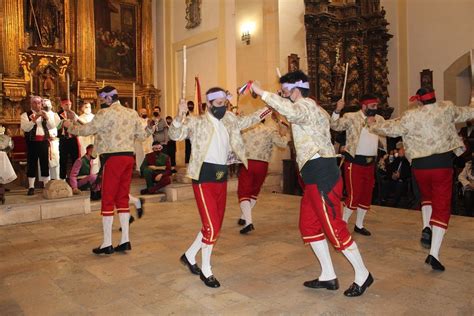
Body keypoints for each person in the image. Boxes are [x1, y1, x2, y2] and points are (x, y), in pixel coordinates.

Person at [250, 70, 373, 297]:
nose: (285, 94)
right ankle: (328, 275)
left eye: (287, 90)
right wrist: (281, 99)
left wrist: (261, 92)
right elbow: (292, 113)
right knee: (309, 225)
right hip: (314, 177)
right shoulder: (312, 109)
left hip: (322, 175)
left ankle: (363, 274)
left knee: (334, 229)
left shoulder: (306, 106)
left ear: (296, 90)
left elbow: (294, 111)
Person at [169, 87, 271, 288]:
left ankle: (189, 256)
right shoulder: (197, 121)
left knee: (214, 223)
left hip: (221, 175)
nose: (223, 107)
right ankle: (206, 270)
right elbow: (175, 135)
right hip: (203, 177)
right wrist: (180, 115)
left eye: (225, 103)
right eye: (218, 104)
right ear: (208, 104)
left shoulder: (230, 119)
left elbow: (249, 120)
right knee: (212, 226)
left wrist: (270, 108)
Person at [369, 87, 474, 271]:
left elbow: (391, 128)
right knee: (441, 207)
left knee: (426, 197)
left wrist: (372, 123)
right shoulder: (447, 107)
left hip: (419, 166)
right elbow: (468, 113)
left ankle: (426, 226)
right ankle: (433, 254)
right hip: (441, 164)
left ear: (419, 101)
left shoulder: (410, 116)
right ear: (435, 98)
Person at [64, 86, 153, 255]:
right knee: (121, 198)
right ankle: (125, 240)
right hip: (128, 159)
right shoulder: (132, 113)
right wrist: (150, 128)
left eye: (102, 100)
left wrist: (70, 126)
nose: (101, 103)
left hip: (113, 159)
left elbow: (87, 130)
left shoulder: (104, 114)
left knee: (108, 199)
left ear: (109, 98)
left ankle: (107, 243)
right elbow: (142, 136)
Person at [330, 94, 386, 236]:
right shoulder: (351, 117)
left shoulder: (379, 119)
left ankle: (359, 225)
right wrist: (337, 110)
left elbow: (386, 133)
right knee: (354, 195)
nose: (375, 108)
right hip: (354, 162)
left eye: (376, 106)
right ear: (364, 106)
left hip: (370, 162)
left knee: (366, 196)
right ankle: (341, 226)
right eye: (372, 106)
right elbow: (334, 126)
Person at [237, 114, 289, 234]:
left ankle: (248, 222)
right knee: (254, 192)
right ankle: (244, 217)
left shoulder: (244, 130)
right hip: (262, 165)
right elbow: (282, 144)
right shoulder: (270, 130)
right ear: (264, 120)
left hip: (247, 163)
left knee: (244, 193)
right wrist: (285, 133)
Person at [20, 96, 55, 195]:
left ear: (41, 104)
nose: (37, 105)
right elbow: (25, 128)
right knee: (32, 163)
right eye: (34, 103)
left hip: (44, 141)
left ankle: (46, 185)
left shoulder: (45, 114)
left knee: (44, 163)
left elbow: (52, 126)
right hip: (32, 142)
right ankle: (31, 187)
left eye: (39, 103)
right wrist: (35, 118)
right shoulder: (25, 115)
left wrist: (47, 118)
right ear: (31, 104)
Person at [57, 99, 80, 180]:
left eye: (70, 104)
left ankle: (74, 178)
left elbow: (78, 123)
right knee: (63, 159)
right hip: (64, 139)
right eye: (66, 104)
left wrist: (74, 121)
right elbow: (56, 126)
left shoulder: (73, 113)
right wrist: (63, 123)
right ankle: (62, 178)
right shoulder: (58, 114)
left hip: (73, 139)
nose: (68, 106)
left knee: (75, 158)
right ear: (62, 105)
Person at [42, 98, 61, 180]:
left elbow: (53, 125)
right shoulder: (39, 115)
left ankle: (56, 179)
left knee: (55, 160)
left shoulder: (55, 115)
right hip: (43, 140)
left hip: (53, 140)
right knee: (44, 161)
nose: (46, 106)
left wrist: (47, 118)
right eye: (44, 104)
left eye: (48, 104)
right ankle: (46, 181)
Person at [0, 125, 16, 203]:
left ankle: (1, 192)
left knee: (2, 172)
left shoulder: (5, 136)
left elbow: (10, 146)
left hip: (3, 154)